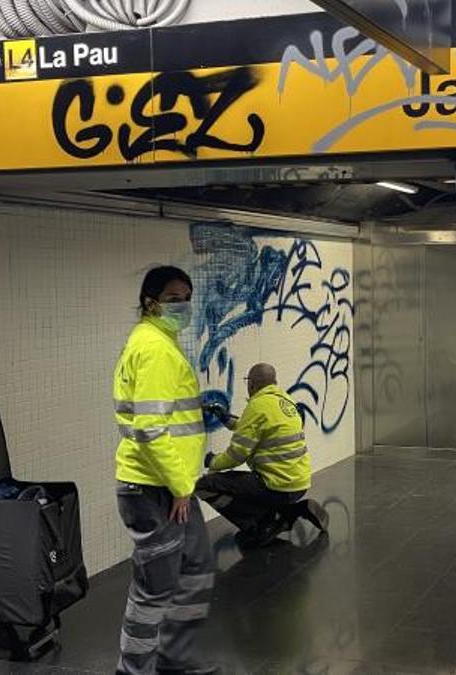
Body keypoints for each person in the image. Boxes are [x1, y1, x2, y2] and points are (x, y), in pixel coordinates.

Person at [112, 266, 216, 675]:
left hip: (172, 486)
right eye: (174, 298)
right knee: (155, 586)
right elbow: (150, 428)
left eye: (187, 296)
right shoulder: (154, 348)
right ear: (150, 302)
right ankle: (133, 670)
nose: (183, 305)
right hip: (154, 487)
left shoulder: (161, 341)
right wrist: (180, 487)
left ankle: (174, 660)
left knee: (196, 567)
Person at [197, 363, 328, 547]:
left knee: (205, 485)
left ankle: (262, 524)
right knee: (254, 486)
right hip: (299, 483)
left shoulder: (257, 406)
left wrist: (212, 461)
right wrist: (225, 418)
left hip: (277, 486)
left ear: (252, 384)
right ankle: (293, 511)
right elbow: (253, 426)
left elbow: (237, 455)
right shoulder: (285, 401)